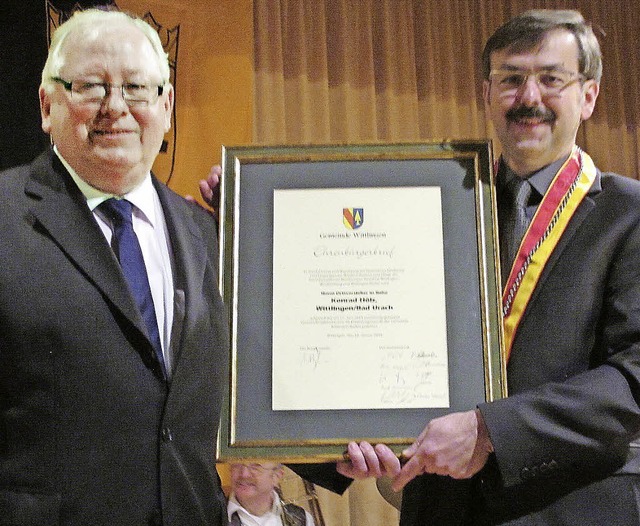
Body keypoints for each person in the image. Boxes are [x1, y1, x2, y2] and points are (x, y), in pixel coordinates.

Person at [289, 9, 640, 525]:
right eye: (511, 80)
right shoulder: (430, 204)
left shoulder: (629, 214)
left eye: (551, 79)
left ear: (587, 96)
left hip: (573, 507)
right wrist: (342, 439)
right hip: (442, 510)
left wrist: (491, 430)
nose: (529, 98)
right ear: (486, 94)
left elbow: (633, 377)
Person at [0, 8, 229, 525]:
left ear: (166, 105)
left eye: (136, 88)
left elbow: (248, 389)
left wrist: (333, 449)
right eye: (91, 86)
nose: (116, 107)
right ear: (46, 103)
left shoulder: (209, 236)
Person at [227, 463, 315, 526]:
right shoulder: (216, 516)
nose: (244, 474)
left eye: (255, 467)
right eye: (237, 465)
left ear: (277, 476)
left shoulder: (301, 519)